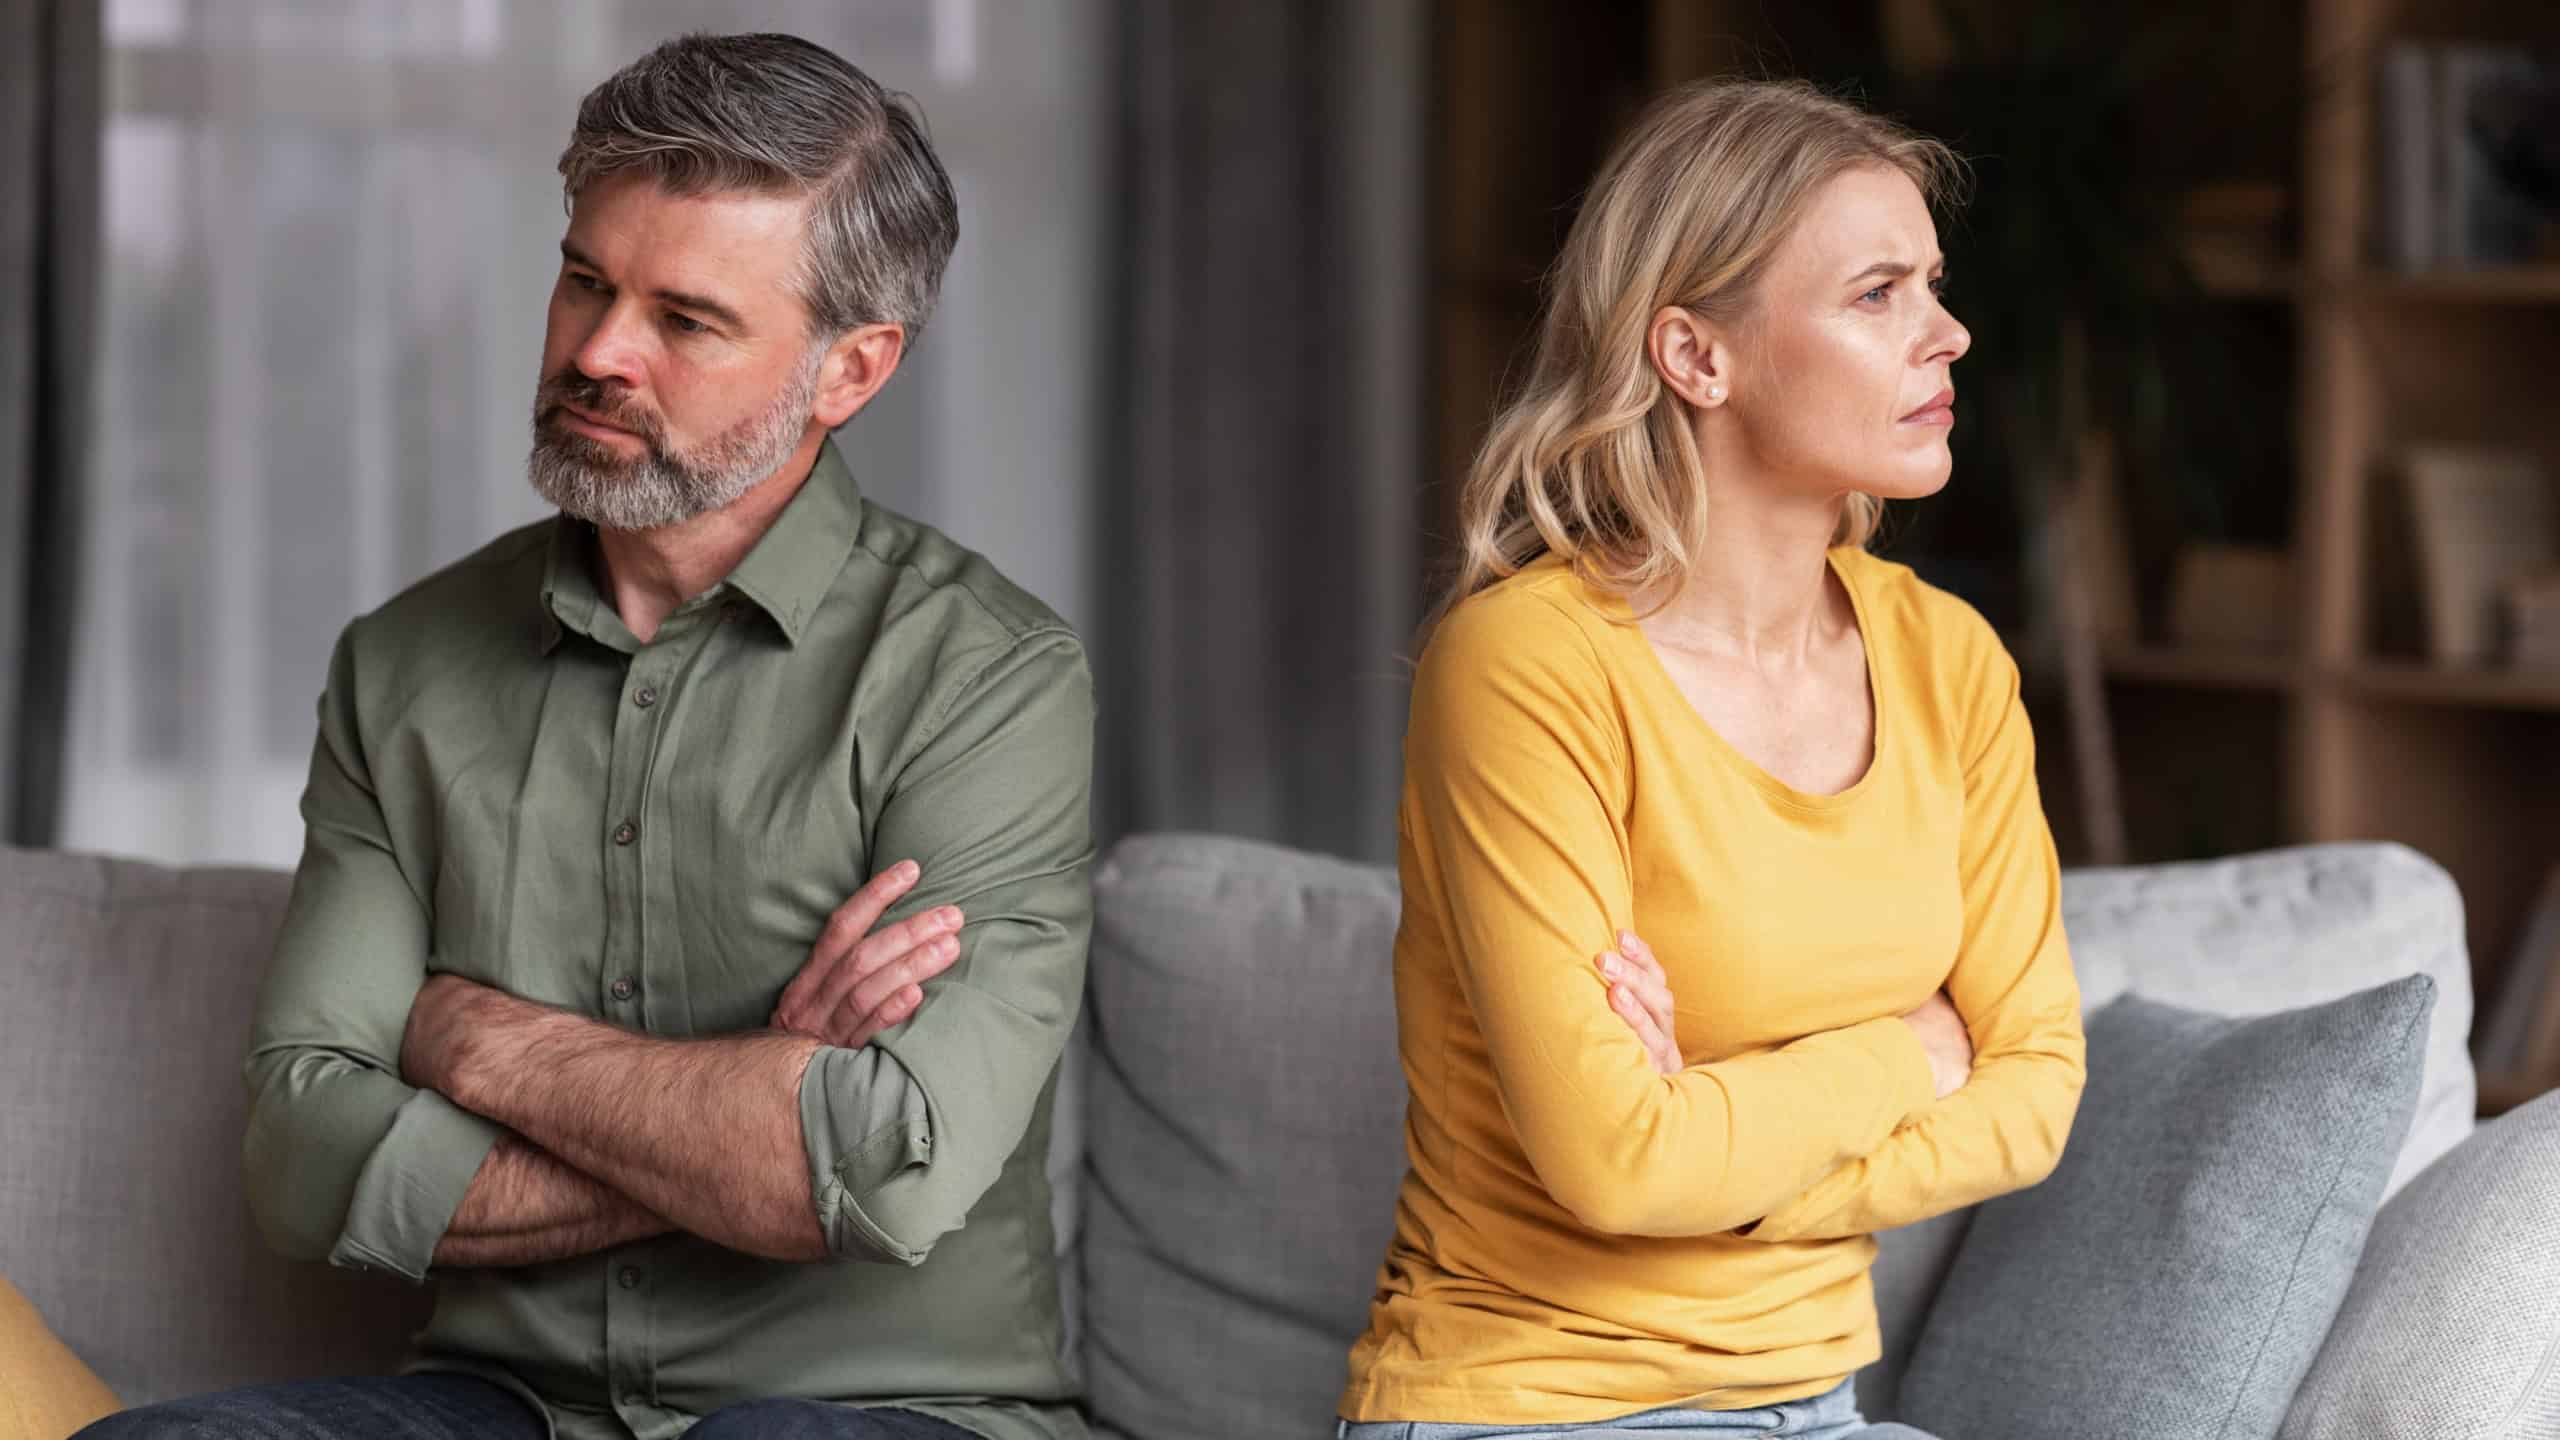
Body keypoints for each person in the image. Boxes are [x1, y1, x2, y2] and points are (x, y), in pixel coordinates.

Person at [82, 32, 1093, 1440]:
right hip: (504, 1405)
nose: (598, 352)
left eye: (685, 319)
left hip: (878, 1411)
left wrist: (480, 1045)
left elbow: (885, 1172)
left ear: (851, 369)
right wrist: (754, 1101)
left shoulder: (988, 681)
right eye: (583, 280)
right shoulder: (406, 667)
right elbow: (302, 1154)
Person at [1336, 79, 2086, 1439]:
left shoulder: (1952, 662)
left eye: (1933, 283)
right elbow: (1618, 1167)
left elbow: (2035, 1095)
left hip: (1819, 1404)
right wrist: (1910, 1057)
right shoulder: (1527, 669)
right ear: (1695, 356)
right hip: (1528, 1405)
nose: (1948, 332)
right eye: (1877, 295)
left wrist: (1724, 1153)